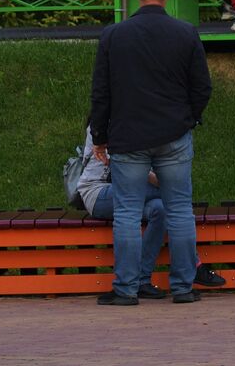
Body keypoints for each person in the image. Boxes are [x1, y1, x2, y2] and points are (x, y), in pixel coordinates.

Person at [90, 0, 213, 305]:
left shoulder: (114, 35)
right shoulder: (186, 33)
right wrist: (188, 119)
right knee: (180, 210)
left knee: (127, 214)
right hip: (174, 135)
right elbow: (202, 88)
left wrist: (100, 136)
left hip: (128, 139)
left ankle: (126, 290)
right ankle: (184, 288)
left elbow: (101, 93)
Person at [75, 123, 226, 297]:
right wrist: (166, 179)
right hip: (98, 194)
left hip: (126, 192)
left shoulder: (135, 124)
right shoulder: (106, 125)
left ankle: (141, 280)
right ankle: (195, 266)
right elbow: (127, 169)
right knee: (174, 196)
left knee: (161, 209)